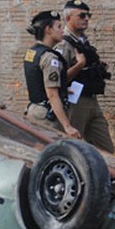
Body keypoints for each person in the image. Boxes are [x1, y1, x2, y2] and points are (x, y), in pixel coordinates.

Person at [55, 0, 114, 153]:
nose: (86, 19)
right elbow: (57, 80)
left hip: (92, 100)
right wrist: (79, 66)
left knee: (106, 149)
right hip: (76, 102)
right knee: (73, 148)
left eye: (88, 15)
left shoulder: (82, 41)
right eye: (82, 15)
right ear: (68, 18)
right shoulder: (64, 45)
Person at [23, 10, 80, 139]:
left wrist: (64, 89)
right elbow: (52, 94)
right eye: (59, 27)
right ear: (48, 30)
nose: (63, 31)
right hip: (46, 116)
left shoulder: (32, 52)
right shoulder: (49, 58)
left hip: (34, 110)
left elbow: (38, 81)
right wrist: (67, 126)